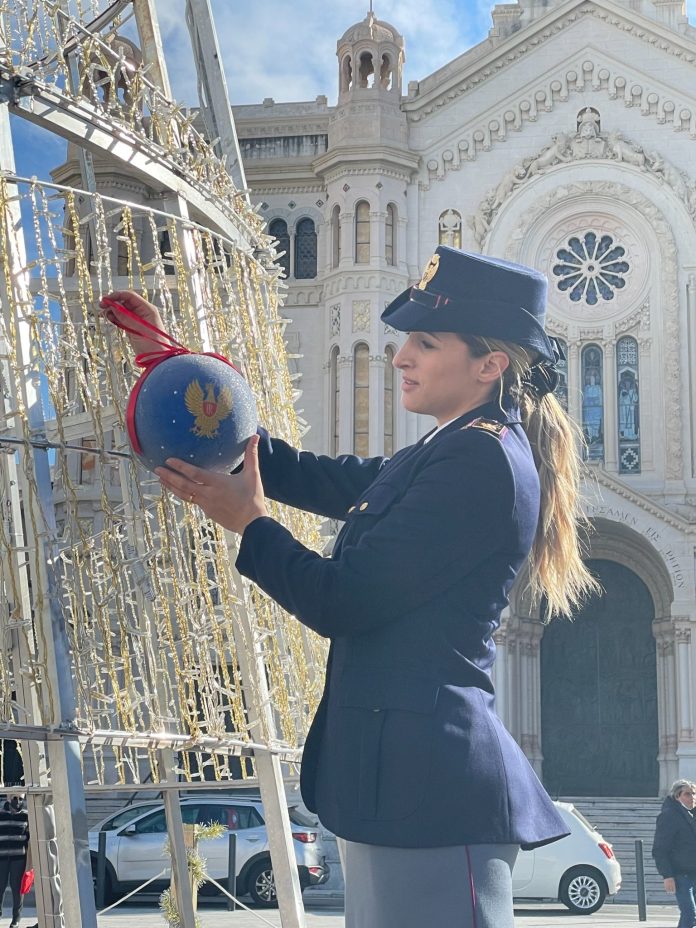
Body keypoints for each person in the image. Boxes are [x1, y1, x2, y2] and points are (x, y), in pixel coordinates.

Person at [102, 245, 598, 928]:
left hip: (429, 790)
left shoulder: (480, 458)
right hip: (397, 783)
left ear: (490, 365)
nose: (401, 356)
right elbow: (299, 471)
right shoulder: (447, 449)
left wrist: (251, 524)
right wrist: (177, 370)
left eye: (426, 342)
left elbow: (343, 599)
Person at [653, 779, 696, 928]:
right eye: (687, 794)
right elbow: (660, 849)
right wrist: (667, 876)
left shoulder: (692, 815)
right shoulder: (669, 816)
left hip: (694, 872)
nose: (692, 797)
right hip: (681, 874)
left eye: (694, 794)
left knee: (689, 916)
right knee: (690, 913)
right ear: (677, 796)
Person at [0, 792, 30, 928]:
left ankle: (16, 918)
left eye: (20, 799)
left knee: (17, 888)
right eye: (15, 798)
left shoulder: (26, 816)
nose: (17, 801)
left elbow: (29, 836)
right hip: (1, 858)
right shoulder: (1, 814)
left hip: (19, 858)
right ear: (8, 798)